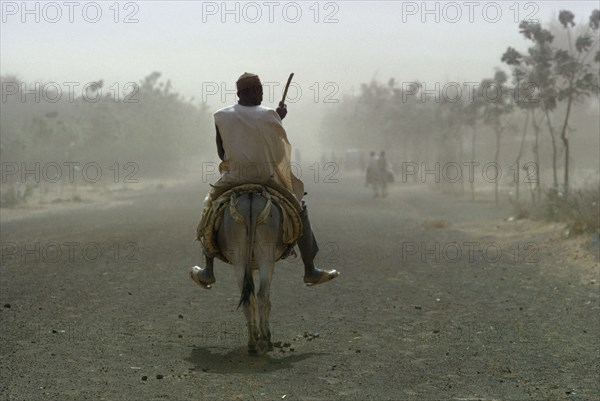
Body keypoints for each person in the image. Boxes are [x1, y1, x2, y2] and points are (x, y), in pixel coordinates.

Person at [191, 72, 339, 288]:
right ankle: (310, 269)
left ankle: (208, 270)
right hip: (266, 179)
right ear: (246, 92)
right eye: (257, 90)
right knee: (299, 208)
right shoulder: (270, 115)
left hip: (234, 179)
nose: (260, 94)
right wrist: (277, 120)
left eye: (261, 90)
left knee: (210, 208)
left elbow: (222, 154)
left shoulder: (221, 116)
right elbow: (279, 152)